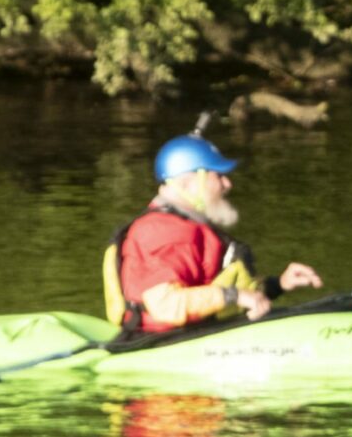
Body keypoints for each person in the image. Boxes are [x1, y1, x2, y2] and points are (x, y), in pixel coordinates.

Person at [103, 133, 323, 337]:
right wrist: (234, 296)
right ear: (187, 183)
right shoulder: (166, 231)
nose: (228, 184)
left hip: (191, 337)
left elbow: (209, 293)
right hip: (165, 345)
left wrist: (278, 285)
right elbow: (165, 304)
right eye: (218, 175)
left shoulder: (183, 226)